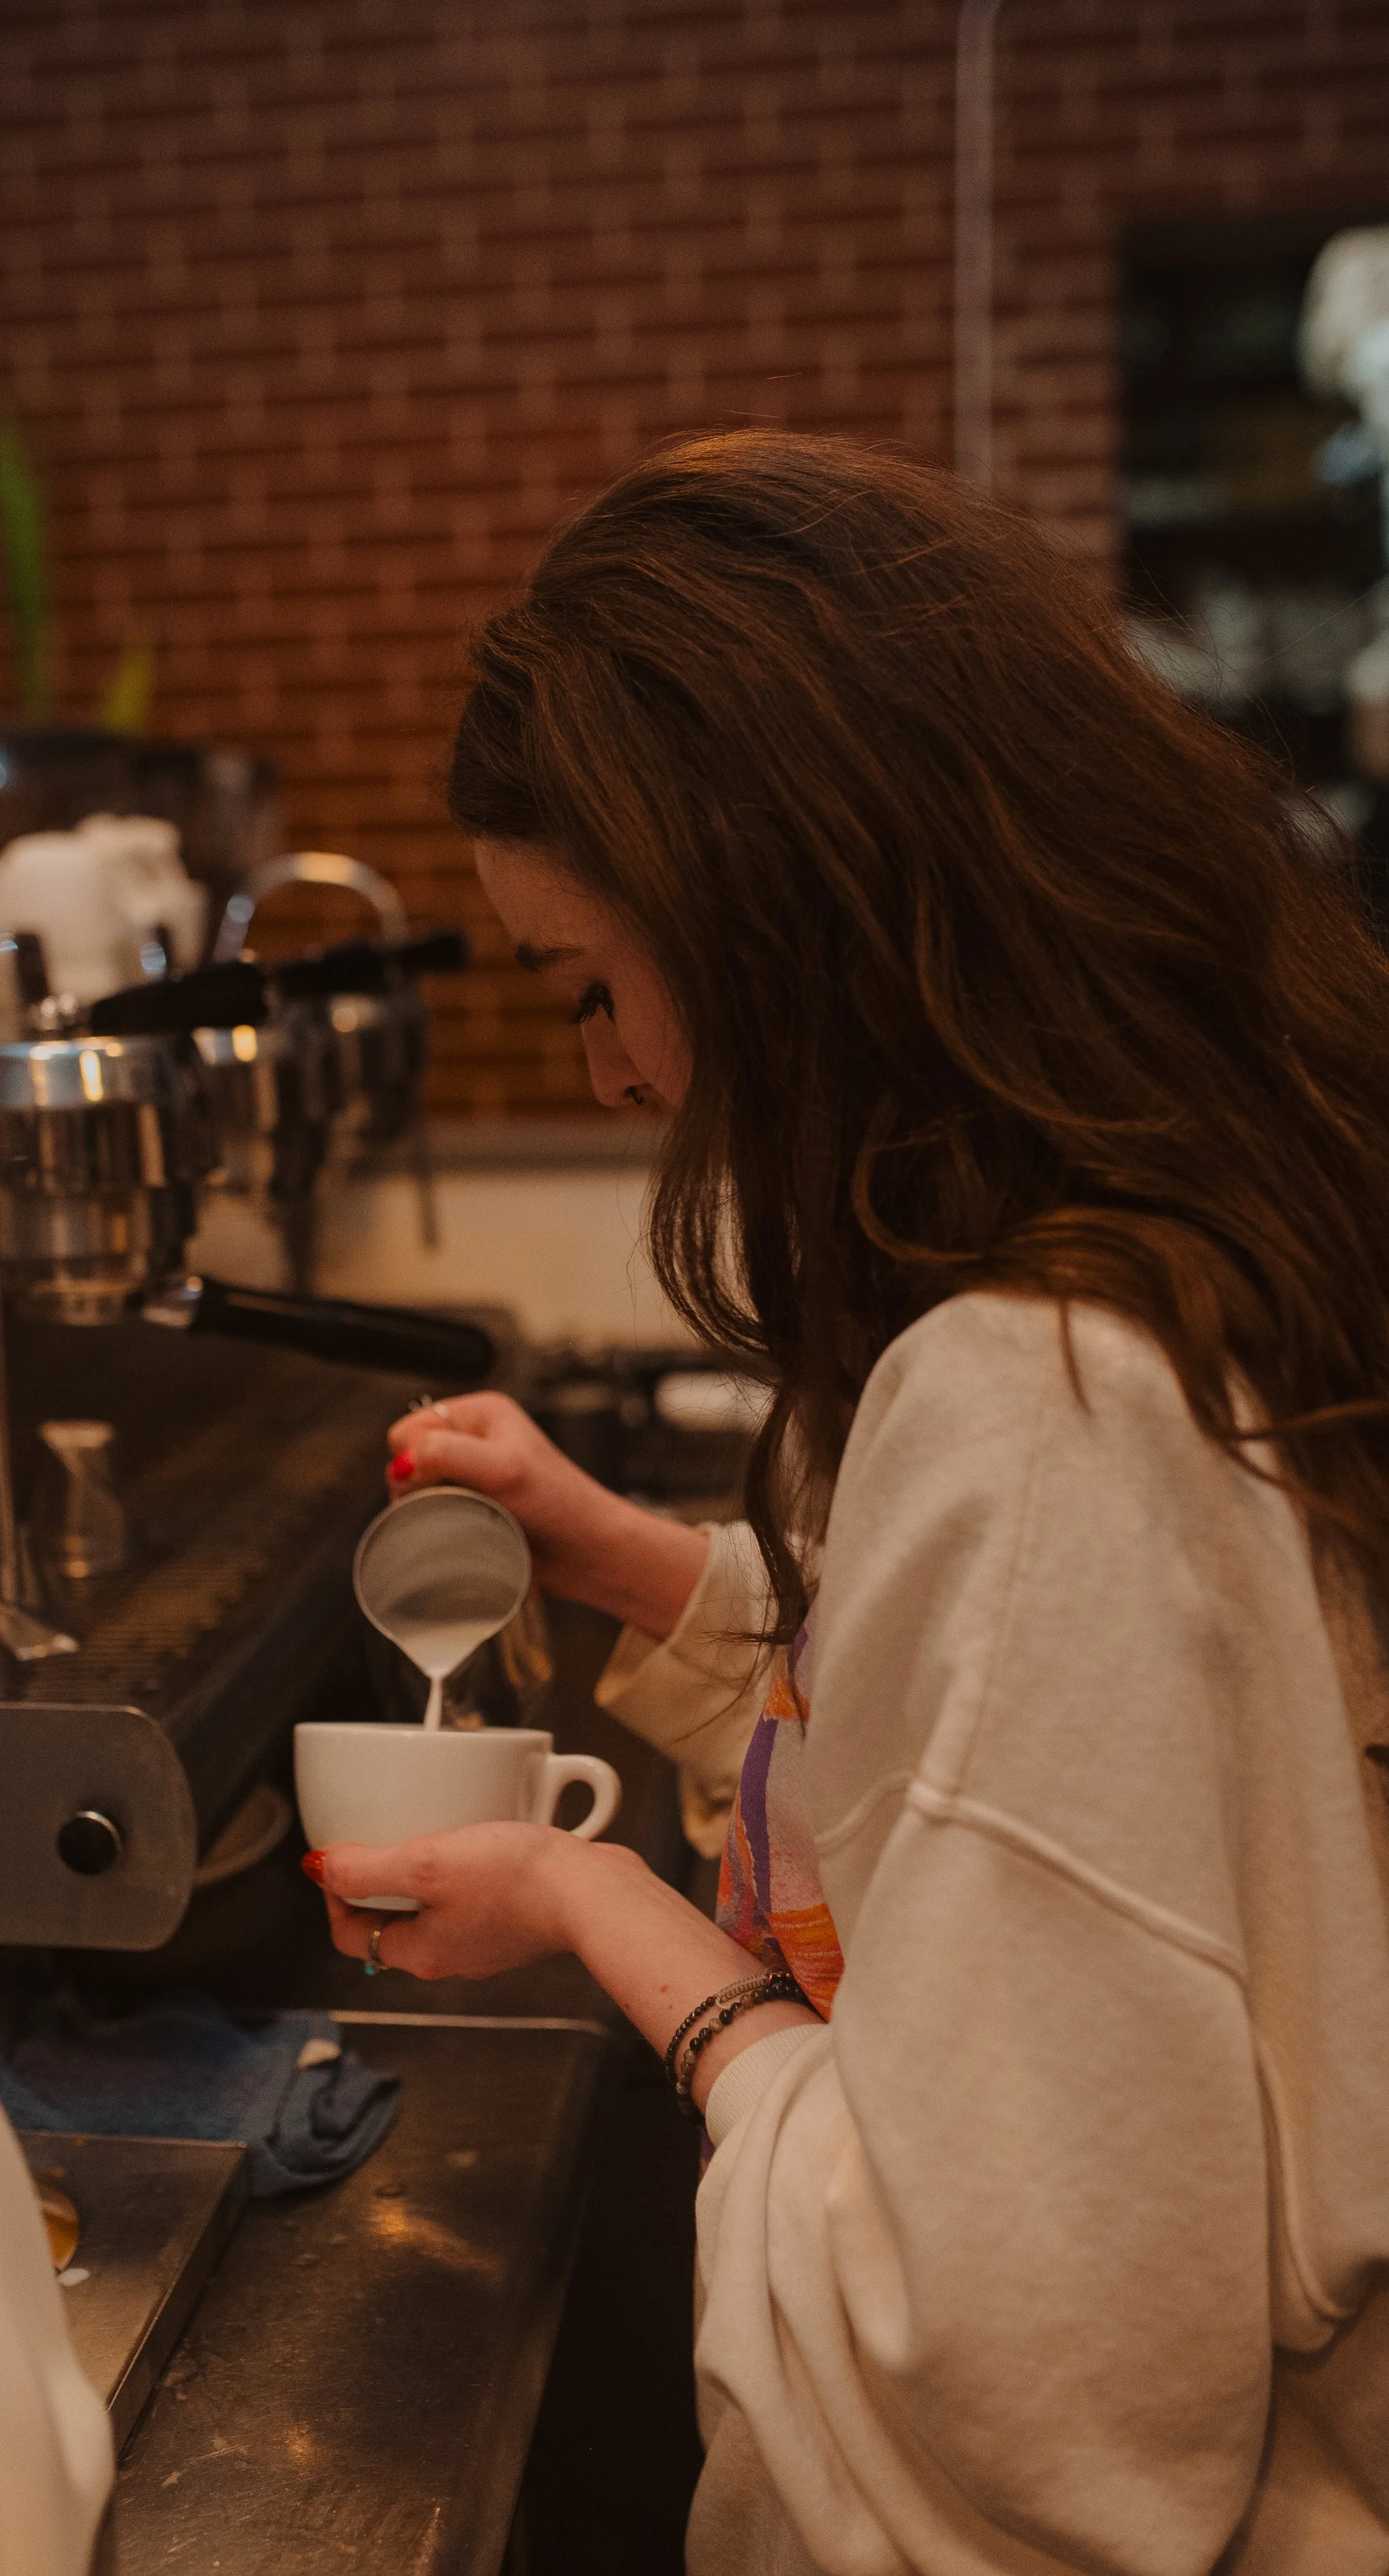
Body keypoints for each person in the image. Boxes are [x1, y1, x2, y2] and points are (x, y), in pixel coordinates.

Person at [306, 432, 1389, 2573]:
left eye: (593, 986)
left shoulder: (1041, 1406)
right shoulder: (1186, 1242)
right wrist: (646, 1569)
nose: (613, 1076)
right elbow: (1048, 1774)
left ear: (779, 913)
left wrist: (610, 1922)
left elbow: (1012, 2400)